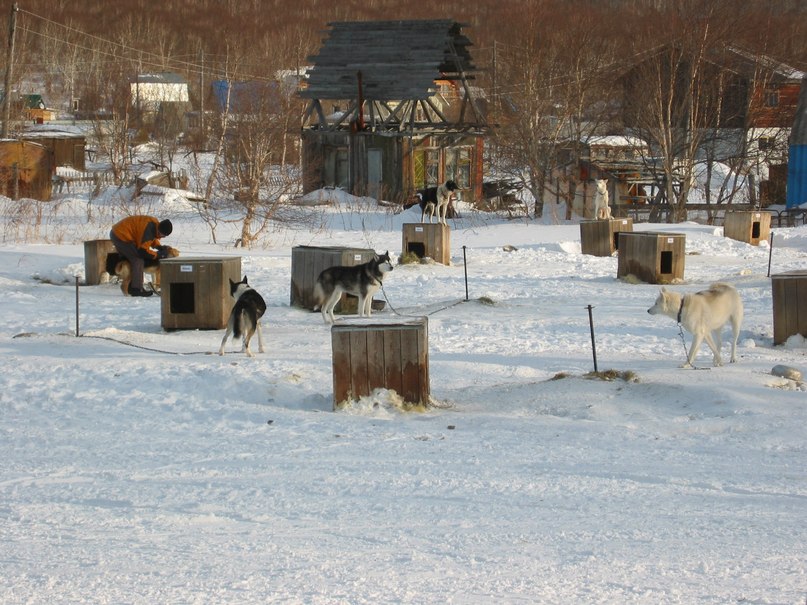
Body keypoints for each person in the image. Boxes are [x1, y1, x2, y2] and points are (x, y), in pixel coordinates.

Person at [109, 215, 173, 297]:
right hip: (120, 236)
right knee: (138, 260)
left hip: (120, 232)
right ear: (159, 230)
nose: (162, 237)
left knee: (134, 258)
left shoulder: (154, 225)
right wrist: (158, 255)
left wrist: (159, 247)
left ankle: (130, 285)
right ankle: (136, 289)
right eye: (162, 235)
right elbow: (143, 252)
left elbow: (151, 238)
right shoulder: (149, 230)